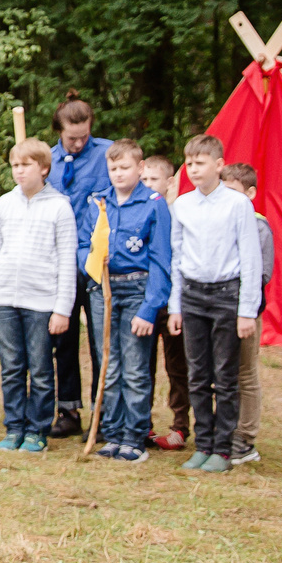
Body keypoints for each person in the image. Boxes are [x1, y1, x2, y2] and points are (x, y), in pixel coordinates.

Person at [168, 134, 260, 475]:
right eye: (189, 163)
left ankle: (223, 447)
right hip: (192, 295)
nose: (193, 169)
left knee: (225, 375)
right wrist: (175, 305)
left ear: (219, 165)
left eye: (200, 163)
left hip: (225, 296)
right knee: (197, 374)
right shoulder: (183, 206)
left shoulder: (238, 206)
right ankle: (202, 443)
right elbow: (177, 257)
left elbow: (250, 258)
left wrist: (246, 310)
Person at [0, 139, 76, 452]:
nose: (19, 171)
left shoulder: (60, 206)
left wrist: (62, 309)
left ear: (44, 168)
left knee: (41, 369)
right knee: (11, 368)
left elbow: (66, 260)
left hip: (41, 303)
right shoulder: (4, 204)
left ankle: (37, 430)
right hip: (5, 298)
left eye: (25, 165)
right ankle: (14, 426)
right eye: (15, 166)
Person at [89, 140, 171, 461]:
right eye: (113, 169)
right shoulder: (99, 202)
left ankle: (134, 436)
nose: (118, 174)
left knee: (135, 369)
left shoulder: (154, 204)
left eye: (125, 168)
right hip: (104, 291)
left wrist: (150, 308)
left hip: (138, 290)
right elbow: (85, 244)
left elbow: (162, 260)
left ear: (140, 169)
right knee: (108, 365)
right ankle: (112, 433)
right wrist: (94, 260)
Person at [49, 94, 115, 439]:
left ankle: (103, 413)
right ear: (59, 131)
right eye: (71, 137)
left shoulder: (108, 154)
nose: (78, 142)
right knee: (63, 338)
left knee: (102, 339)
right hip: (60, 263)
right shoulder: (48, 160)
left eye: (84, 136)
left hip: (97, 260)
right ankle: (68, 409)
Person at [223, 162, 276, 466]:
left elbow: (261, 274)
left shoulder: (258, 226)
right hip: (218, 309)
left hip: (245, 310)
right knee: (223, 373)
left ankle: (245, 436)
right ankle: (225, 428)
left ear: (251, 193)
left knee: (245, 372)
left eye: (234, 192)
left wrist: (243, 307)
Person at [141, 152, 192, 448]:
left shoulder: (179, 213)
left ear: (169, 182)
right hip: (146, 300)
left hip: (174, 303)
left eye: (154, 179)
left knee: (177, 366)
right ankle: (142, 423)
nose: (148, 184)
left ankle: (180, 426)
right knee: (143, 366)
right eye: (144, 178)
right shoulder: (138, 209)